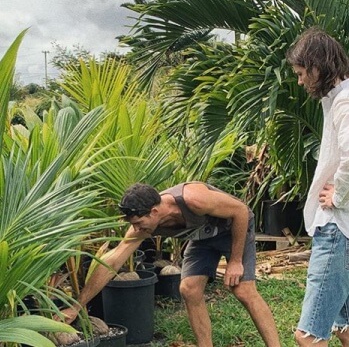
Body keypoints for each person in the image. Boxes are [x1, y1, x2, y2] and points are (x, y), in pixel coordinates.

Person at [58, 181, 280, 347]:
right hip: (202, 237)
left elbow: (240, 211)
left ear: (154, 212)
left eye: (138, 223)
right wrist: (76, 307)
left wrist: (235, 261)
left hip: (232, 229)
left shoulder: (194, 199)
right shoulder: (141, 226)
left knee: (243, 290)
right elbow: (112, 262)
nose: (136, 230)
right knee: (189, 289)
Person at [286, 27, 349, 347]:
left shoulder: (344, 102)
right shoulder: (339, 99)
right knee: (344, 325)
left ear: (317, 67)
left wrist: (340, 193)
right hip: (344, 228)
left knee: (307, 335)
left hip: (337, 227)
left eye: (301, 73)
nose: (300, 81)